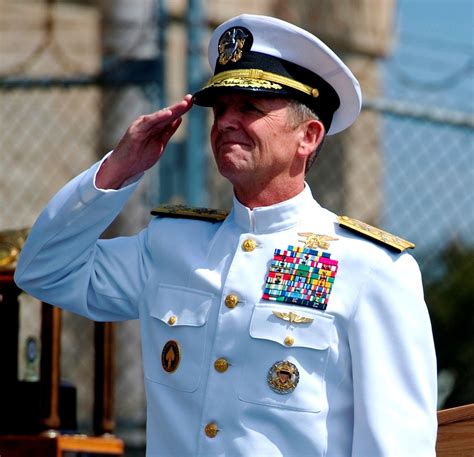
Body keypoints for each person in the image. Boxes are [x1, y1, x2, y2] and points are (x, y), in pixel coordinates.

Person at [15, 13, 437, 457]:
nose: (226, 123)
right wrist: (118, 170)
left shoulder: (372, 269)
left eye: (250, 108)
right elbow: (44, 270)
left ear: (308, 137)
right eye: (221, 109)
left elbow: (395, 447)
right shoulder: (171, 245)